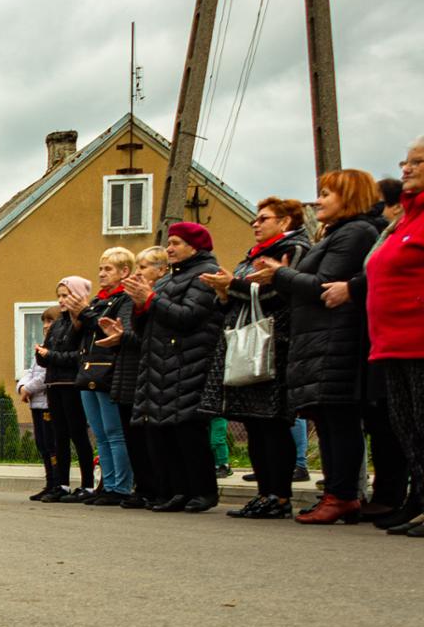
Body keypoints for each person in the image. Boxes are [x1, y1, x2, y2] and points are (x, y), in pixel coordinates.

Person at [249, 169, 384, 525]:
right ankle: (336, 493)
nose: (319, 201)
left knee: (339, 421)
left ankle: (342, 495)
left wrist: (279, 274)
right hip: (318, 339)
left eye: (327, 194)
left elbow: (324, 285)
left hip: (336, 337)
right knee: (326, 420)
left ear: (350, 196)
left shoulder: (356, 232)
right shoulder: (335, 234)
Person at [202, 198, 309, 519]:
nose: (255, 224)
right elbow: (234, 300)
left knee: (272, 424)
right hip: (245, 343)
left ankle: (279, 495)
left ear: (286, 221)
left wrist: (233, 285)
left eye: (264, 218)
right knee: (253, 424)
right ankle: (264, 492)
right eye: (255, 219)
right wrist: (224, 292)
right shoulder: (253, 257)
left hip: (274, 344)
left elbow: (281, 295)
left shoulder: (295, 251)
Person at [339, 139, 424, 536]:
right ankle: (417, 501)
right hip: (392, 341)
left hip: (418, 338)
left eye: (418, 162)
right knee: (408, 429)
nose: (406, 169)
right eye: (405, 162)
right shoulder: (404, 219)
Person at [123, 223, 223, 513]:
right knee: (165, 433)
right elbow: (145, 328)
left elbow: (189, 316)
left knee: (188, 433)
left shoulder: (206, 275)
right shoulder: (168, 281)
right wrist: (140, 305)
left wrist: (152, 299)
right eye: (169, 243)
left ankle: (202, 491)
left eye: (176, 243)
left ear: (195, 247)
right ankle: (177, 490)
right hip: (160, 364)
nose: (169, 248)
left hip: (189, 362)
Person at [101, 247, 166, 509]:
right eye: (138, 268)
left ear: (162, 271)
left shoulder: (150, 298)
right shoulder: (130, 301)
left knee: (145, 437)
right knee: (131, 437)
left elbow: (145, 337)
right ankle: (142, 486)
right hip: (126, 373)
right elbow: (129, 332)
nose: (139, 273)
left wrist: (121, 337)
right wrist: (118, 336)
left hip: (144, 375)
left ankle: (152, 487)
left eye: (144, 268)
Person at [73, 249, 138, 505]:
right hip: (89, 369)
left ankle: (120, 486)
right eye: (100, 269)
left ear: (124, 272)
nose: (101, 274)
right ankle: (107, 483)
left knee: (115, 431)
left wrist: (86, 313)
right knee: (100, 433)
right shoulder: (99, 301)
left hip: (109, 370)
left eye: (108, 269)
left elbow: (111, 328)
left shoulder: (125, 299)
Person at [34, 276, 96, 501]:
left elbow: (78, 356)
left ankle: (88, 484)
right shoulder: (58, 323)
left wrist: (51, 355)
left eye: (66, 295)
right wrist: (41, 354)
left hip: (72, 384)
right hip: (54, 383)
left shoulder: (82, 322)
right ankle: (62, 484)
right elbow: (48, 355)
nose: (61, 300)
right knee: (59, 436)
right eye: (59, 295)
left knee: (78, 434)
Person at [19, 310, 58, 500]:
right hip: (36, 403)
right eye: (43, 321)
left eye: (50, 321)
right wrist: (22, 387)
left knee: (51, 445)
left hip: (47, 403)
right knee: (41, 444)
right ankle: (49, 482)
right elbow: (31, 371)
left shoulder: (53, 350)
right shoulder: (41, 348)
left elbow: (44, 376)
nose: (45, 325)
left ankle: (56, 482)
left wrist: (29, 389)